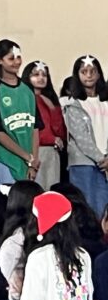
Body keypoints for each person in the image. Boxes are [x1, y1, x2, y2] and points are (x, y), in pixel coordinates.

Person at [0, 40, 41, 188]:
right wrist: (26, 156)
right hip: (5, 160)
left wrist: (33, 160)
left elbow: (35, 126)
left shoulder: (27, 88)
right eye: (11, 58)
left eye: (18, 57)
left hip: (28, 162)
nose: (16, 62)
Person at [62, 55, 108, 217]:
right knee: (86, 208)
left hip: (105, 161)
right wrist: (101, 159)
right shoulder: (73, 104)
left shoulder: (105, 102)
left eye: (92, 71)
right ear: (77, 75)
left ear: (99, 74)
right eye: (84, 72)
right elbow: (81, 137)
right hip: (83, 162)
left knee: (103, 207)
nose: (89, 75)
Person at [23, 61, 65, 189]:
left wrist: (53, 109)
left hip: (52, 151)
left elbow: (60, 130)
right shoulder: (25, 98)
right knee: (36, 189)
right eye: (36, 74)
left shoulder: (51, 100)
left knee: (51, 188)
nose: (41, 78)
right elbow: (31, 128)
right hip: (35, 150)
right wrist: (51, 139)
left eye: (44, 75)